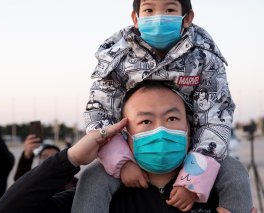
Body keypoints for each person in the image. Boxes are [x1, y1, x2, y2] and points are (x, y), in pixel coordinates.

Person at [0, 81, 255, 213]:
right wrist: (69, 159)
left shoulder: (216, 196)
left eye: (172, 118)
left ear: (191, 129)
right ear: (124, 132)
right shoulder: (96, 197)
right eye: (145, 121)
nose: (160, 129)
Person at [81, 0, 236, 211]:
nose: (159, 16)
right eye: (149, 10)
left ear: (187, 17)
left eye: (170, 9)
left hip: (189, 149)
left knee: (234, 171)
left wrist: (193, 180)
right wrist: (122, 162)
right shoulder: (117, 57)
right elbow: (99, 112)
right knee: (92, 177)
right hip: (133, 149)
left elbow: (216, 116)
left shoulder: (204, 57)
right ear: (136, 18)